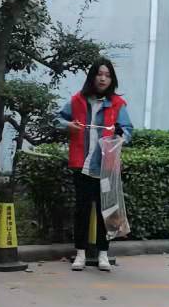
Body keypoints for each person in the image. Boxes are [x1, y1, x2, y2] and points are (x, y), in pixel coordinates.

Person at [56, 58, 133, 271]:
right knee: (81, 210)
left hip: (106, 166)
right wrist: (69, 125)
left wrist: (121, 136)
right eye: (99, 74)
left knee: (105, 211)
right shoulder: (77, 100)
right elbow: (58, 119)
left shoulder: (117, 104)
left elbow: (128, 130)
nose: (103, 79)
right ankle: (80, 254)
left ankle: (103, 255)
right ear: (92, 76)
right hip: (82, 164)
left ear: (112, 79)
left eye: (107, 75)